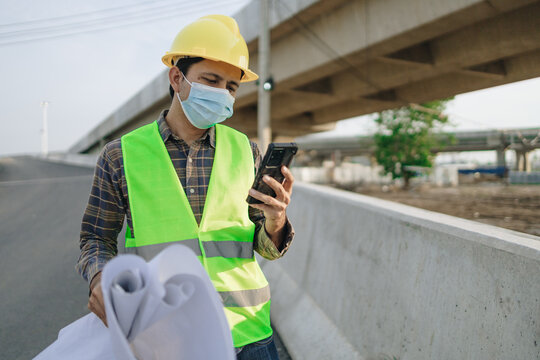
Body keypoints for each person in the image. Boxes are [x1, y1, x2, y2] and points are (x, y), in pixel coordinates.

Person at [76, 14, 295, 360]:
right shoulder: (120, 156)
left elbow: (264, 248)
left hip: (248, 336)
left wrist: (276, 221)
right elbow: (95, 238)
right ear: (176, 77)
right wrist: (99, 278)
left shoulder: (247, 151)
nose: (222, 94)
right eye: (211, 80)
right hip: (164, 338)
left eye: (231, 87)